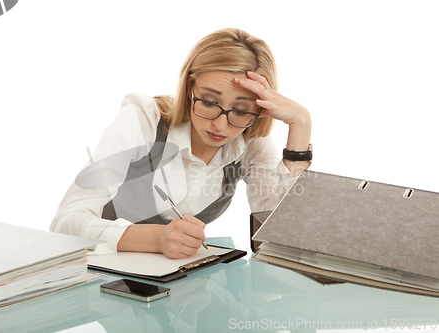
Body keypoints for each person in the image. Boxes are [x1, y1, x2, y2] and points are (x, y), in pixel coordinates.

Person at [50, 28, 312, 259]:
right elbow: (64, 222)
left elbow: (281, 237)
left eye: (241, 110)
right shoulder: (143, 119)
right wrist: (156, 239)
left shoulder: (251, 139)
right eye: (209, 102)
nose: (220, 125)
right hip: (105, 281)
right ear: (190, 88)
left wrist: (300, 124)